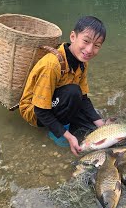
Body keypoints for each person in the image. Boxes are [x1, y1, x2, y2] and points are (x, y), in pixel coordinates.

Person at [19, 16, 106, 156]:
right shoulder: (52, 65)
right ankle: (57, 134)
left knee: (92, 129)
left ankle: (67, 125)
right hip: (35, 112)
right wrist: (68, 136)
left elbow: (83, 98)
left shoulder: (82, 62)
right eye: (86, 41)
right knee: (73, 92)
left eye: (96, 45)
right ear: (73, 36)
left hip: (60, 100)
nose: (90, 50)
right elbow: (40, 111)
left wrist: (101, 124)